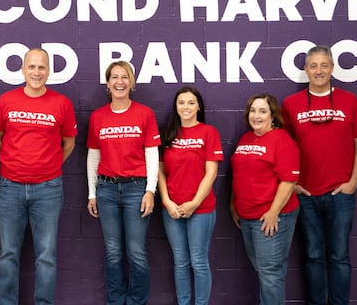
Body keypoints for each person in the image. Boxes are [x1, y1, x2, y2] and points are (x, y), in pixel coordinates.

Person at [281, 45, 357, 305]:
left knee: (339, 256)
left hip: (340, 194)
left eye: (323, 65)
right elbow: (283, 147)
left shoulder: (349, 100)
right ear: (306, 70)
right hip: (307, 194)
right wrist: (293, 184)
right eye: (313, 66)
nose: (318, 71)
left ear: (332, 68)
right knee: (313, 255)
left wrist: (353, 183)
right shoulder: (291, 104)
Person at [0, 47, 77, 305]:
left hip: (48, 189)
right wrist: (14, 163)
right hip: (10, 187)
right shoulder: (6, 100)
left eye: (41, 67)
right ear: (22, 69)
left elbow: (69, 143)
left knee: (46, 255)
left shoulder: (62, 103)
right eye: (31, 67)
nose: (36, 72)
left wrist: (48, 166)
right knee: (8, 254)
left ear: (48, 71)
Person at [86, 60, 161, 305]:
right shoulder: (98, 117)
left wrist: (151, 191)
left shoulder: (145, 114)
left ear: (132, 82)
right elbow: (93, 156)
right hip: (106, 189)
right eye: (114, 78)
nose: (120, 82)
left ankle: (137, 301)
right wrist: (92, 193)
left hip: (136, 190)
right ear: (108, 84)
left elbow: (152, 154)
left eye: (124, 77)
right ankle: (116, 301)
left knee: (136, 252)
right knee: (113, 252)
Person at [230, 93, 301, 305]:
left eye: (262, 111)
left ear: (273, 116)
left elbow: (288, 181)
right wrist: (233, 204)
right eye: (253, 110)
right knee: (264, 270)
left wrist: (273, 213)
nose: (256, 115)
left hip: (271, 216)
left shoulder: (282, 140)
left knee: (270, 274)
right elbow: (239, 174)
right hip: (247, 215)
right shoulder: (245, 138)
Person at [158, 86, 223, 305]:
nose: (186, 107)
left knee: (198, 261)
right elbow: (160, 171)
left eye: (191, 102)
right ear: (176, 107)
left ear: (198, 107)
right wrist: (166, 201)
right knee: (180, 262)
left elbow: (211, 172)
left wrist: (194, 203)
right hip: (172, 209)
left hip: (200, 209)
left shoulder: (208, 132)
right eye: (181, 103)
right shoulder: (167, 134)